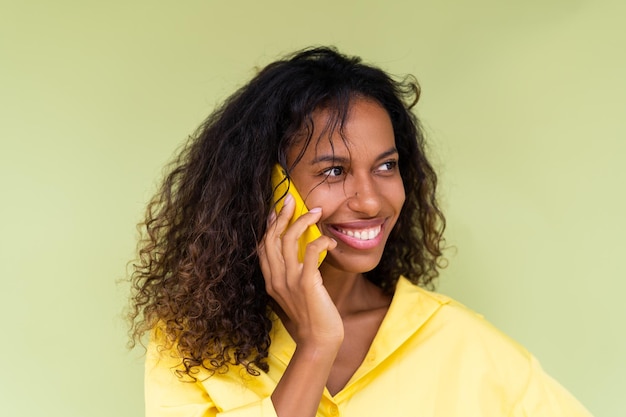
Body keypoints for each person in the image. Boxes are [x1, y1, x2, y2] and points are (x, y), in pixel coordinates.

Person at [128, 47, 592, 417]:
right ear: (265, 186)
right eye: (333, 171)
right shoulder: (191, 346)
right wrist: (317, 346)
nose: (371, 201)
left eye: (386, 166)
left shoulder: (470, 348)